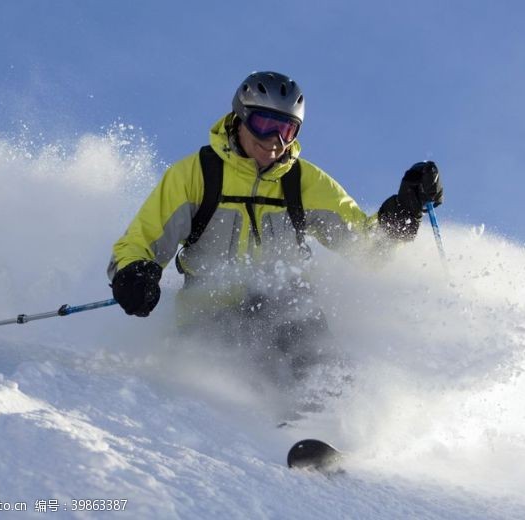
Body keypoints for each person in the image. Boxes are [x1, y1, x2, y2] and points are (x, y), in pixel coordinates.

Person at [108, 71, 443, 381]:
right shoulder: (197, 174)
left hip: (286, 316)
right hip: (210, 317)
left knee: (291, 309)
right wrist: (135, 274)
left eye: (286, 130)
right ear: (240, 118)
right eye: (265, 123)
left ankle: (326, 410)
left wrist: (404, 210)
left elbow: (367, 251)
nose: (275, 141)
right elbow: (142, 240)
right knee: (225, 365)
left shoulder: (303, 181)